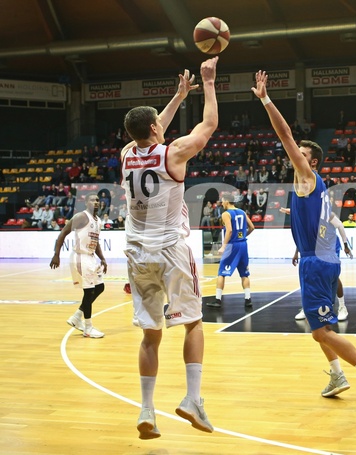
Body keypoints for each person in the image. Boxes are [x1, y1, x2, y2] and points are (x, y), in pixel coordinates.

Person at [253, 70, 356, 407]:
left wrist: (266, 99)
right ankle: (336, 373)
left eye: (299, 153)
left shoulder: (307, 176)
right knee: (320, 324)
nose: (292, 155)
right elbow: (324, 222)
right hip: (322, 258)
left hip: (317, 262)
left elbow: (285, 133)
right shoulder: (321, 185)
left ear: (310, 160)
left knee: (320, 331)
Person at [121, 58, 219, 439]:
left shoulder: (127, 154)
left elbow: (148, 127)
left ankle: (147, 410)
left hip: (135, 253)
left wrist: (178, 97)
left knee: (151, 334)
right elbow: (208, 125)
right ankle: (192, 398)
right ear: (156, 129)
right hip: (170, 250)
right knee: (193, 323)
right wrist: (207, 84)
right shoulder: (172, 153)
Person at [49, 193, 107, 339]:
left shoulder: (98, 220)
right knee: (89, 292)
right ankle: (88, 327)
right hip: (80, 257)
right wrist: (56, 254)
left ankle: (77, 316)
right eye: (92, 200)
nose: (96, 202)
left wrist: (103, 259)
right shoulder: (81, 217)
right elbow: (62, 233)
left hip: (91, 257)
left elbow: (96, 242)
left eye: (98, 200)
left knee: (100, 287)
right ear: (86, 202)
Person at [208, 193, 255, 309]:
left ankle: (218, 301)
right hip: (243, 244)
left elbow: (229, 230)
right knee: (244, 274)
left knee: (221, 273)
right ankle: (248, 299)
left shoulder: (226, 214)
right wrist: (243, 235)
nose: (221, 203)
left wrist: (223, 246)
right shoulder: (242, 212)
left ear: (227, 201)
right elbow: (252, 227)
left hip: (232, 245)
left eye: (222, 201)